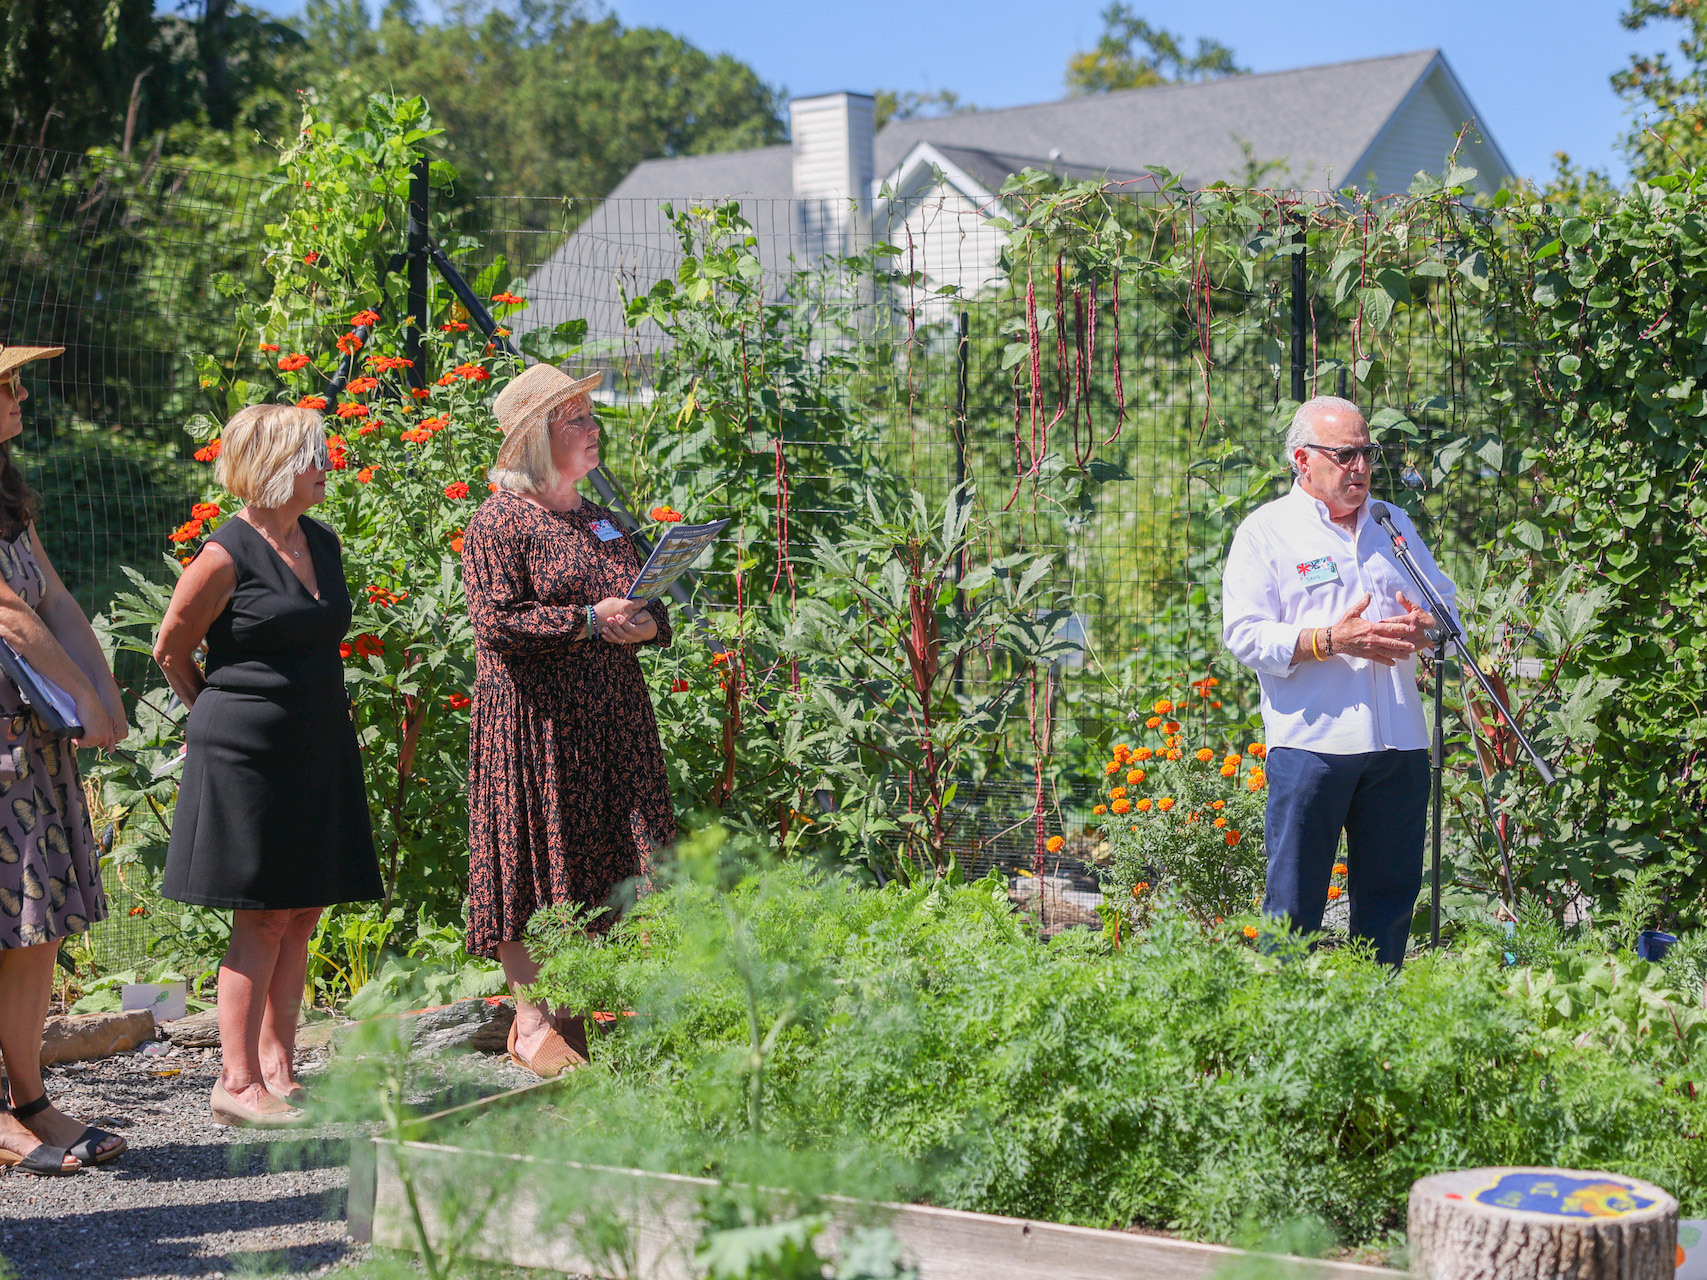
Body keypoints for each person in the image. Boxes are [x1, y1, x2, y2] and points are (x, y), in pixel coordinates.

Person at [154, 404, 381, 1127]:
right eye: (315, 455)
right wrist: (218, 719)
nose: (327, 466)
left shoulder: (321, 540)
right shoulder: (223, 554)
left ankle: (281, 1069)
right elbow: (171, 649)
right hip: (246, 752)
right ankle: (236, 1081)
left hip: (317, 741)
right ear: (277, 465)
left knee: (304, 908)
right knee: (262, 915)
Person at [462, 364, 673, 1078]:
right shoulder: (499, 520)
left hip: (610, 718)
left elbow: (651, 600)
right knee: (531, 861)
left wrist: (642, 626)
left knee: (602, 858)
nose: (593, 428)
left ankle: (572, 1009)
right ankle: (529, 1020)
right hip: (536, 723)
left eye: (590, 414)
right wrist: (588, 622)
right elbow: (495, 623)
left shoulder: (597, 519)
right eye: (575, 418)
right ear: (534, 439)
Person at [1221, 395, 1455, 968]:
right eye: (1345, 454)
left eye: (1367, 454)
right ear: (1303, 460)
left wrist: (1427, 626)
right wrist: (1330, 640)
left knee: (1390, 902)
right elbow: (1245, 635)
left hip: (1398, 743)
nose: (1361, 467)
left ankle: (1375, 1029)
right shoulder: (1266, 533)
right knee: (1294, 906)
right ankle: (1289, 1031)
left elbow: (1448, 612)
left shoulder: (1391, 523)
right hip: (1312, 746)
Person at [0, 343, 130, 1174]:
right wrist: (77, 695)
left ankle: (30, 1098)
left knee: (32, 931)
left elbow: (49, 593)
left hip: (27, 741)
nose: (16, 395)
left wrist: (105, 693)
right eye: (3, 386)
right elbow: (7, 612)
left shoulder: (8, 493)